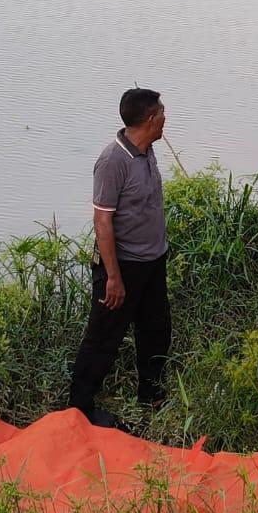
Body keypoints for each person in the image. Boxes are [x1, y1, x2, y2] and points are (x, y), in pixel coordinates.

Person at [67, 88, 172, 425]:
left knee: (156, 329)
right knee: (103, 336)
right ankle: (79, 408)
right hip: (122, 266)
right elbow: (102, 220)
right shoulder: (113, 160)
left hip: (153, 263)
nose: (165, 117)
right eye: (162, 112)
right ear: (152, 120)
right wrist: (113, 277)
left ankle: (151, 393)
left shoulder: (147, 151)